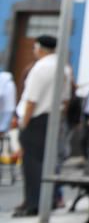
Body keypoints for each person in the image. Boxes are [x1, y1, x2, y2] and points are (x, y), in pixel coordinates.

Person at [14, 34, 61, 217]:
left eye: (34, 48)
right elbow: (64, 100)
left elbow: (31, 100)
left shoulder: (41, 67)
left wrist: (24, 124)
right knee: (46, 162)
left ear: (40, 48)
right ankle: (48, 200)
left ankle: (33, 203)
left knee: (31, 164)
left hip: (35, 120)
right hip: (51, 119)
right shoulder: (63, 66)